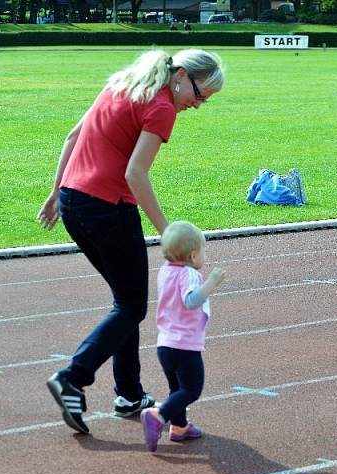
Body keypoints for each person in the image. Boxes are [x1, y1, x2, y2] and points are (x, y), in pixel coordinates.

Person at [37, 50, 225, 434]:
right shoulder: (161, 107)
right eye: (201, 94)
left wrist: (57, 193)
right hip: (108, 207)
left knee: (126, 302)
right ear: (182, 75)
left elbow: (73, 136)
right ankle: (73, 377)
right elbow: (135, 173)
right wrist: (170, 235)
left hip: (76, 202)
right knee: (130, 305)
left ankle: (129, 394)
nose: (198, 104)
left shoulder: (122, 83)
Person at [140, 221, 226, 452]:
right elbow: (191, 301)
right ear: (193, 254)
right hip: (185, 346)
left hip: (165, 344)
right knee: (191, 390)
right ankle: (159, 415)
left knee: (176, 389)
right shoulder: (189, 274)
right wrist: (212, 282)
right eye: (203, 252)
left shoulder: (166, 271)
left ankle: (179, 427)